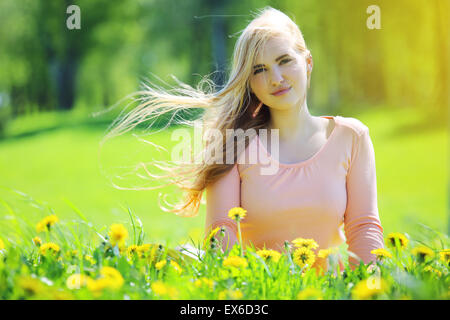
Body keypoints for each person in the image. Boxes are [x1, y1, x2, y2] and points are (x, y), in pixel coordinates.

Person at [103, 7, 384, 273]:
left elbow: (364, 227)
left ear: (307, 62)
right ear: (249, 81)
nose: (276, 78)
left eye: (284, 61)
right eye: (259, 70)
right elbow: (221, 229)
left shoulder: (352, 136)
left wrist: (369, 285)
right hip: (260, 289)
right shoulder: (233, 143)